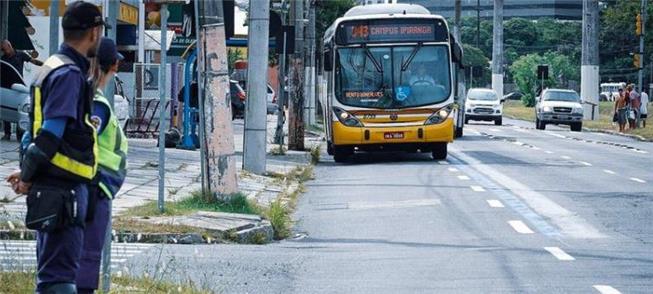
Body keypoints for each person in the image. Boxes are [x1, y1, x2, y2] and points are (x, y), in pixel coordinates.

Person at [5, 2, 104, 292]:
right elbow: (50, 133)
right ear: (94, 33)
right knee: (58, 281)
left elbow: (32, 132)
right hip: (61, 192)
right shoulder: (69, 75)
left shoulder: (52, 67)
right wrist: (27, 175)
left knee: (54, 277)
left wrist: (28, 171)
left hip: (54, 189)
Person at [76, 37, 128, 293]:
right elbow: (85, 140)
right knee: (88, 253)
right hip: (95, 188)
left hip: (92, 186)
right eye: (114, 65)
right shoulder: (97, 103)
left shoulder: (89, 97)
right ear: (111, 67)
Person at [1, 40, 43, 140]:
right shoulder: (3, 59)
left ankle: (21, 133)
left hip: (19, 86)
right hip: (6, 85)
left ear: (10, 46)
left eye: (5, 49)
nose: (5, 52)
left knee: (20, 109)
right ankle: (7, 133)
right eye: (2, 50)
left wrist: (45, 65)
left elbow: (33, 61)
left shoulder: (20, 54)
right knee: (6, 107)